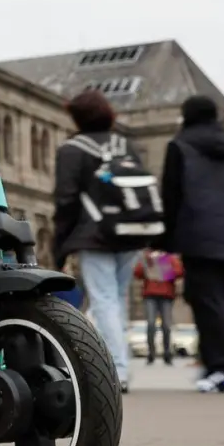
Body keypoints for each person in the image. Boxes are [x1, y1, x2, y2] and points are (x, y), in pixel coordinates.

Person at [160, 95, 224, 394]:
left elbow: (171, 196)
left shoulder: (180, 146)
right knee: (213, 299)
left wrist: (165, 240)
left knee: (208, 301)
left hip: (199, 236)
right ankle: (215, 363)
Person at [53, 89, 146, 394]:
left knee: (104, 298)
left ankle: (118, 369)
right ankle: (105, 357)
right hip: (131, 232)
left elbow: (66, 201)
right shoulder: (125, 146)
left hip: (96, 235)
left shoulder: (72, 150)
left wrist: (61, 244)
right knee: (114, 299)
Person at [135, 249, 183, 366]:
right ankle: (151, 353)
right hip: (150, 295)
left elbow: (179, 272)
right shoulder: (147, 257)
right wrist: (148, 262)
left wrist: (163, 266)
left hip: (166, 295)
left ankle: (167, 353)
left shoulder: (170, 258)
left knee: (166, 325)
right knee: (151, 324)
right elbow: (138, 273)